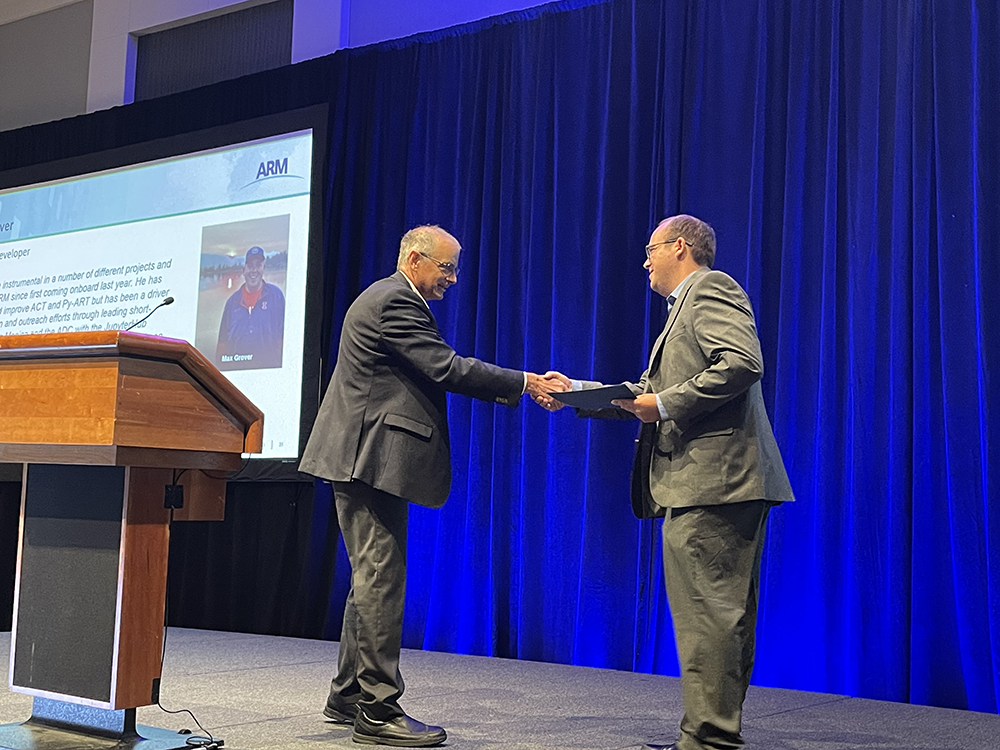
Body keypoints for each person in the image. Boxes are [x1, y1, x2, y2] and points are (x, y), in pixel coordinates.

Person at [299, 225, 566, 747]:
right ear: (416, 259)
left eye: (455, 268)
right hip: (365, 456)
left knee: (371, 576)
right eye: (446, 267)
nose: (452, 279)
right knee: (381, 578)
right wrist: (526, 381)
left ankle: (348, 694)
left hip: (365, 456)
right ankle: (377, 709)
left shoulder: (392, 296)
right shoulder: (396, 300)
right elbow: (445, 368)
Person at [542, 214, 794, 750]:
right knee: (716, 616)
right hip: (708, 482)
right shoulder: (684, 307)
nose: (644, 262)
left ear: (679, 247)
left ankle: (708, 739)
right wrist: (581, 391)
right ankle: (709, 734)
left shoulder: (710, 288)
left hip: (716, 481)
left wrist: (663, 403)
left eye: (650, 250)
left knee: (711, 616)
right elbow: (648, 394)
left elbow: (743, 363)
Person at [216, 245, 285, 369]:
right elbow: (222, 343)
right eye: (250, 266)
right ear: (244, 270)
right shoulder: (232, 302)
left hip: (270, 372)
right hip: (235, 374)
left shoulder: (276, 296)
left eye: (258, 265)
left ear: (263, 268)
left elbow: (283, 338)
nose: (254, 270)